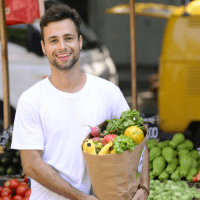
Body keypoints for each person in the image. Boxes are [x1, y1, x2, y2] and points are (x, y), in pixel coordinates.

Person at [11, 4, 149, 200]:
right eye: (53, 40)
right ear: (43, 47)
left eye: (68, 38)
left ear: (80, 41)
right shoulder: (31, 100)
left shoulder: (108, 92)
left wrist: (144, 188)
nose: (62, 47)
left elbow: (140, 141)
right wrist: (81, 197)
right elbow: (31, 164)